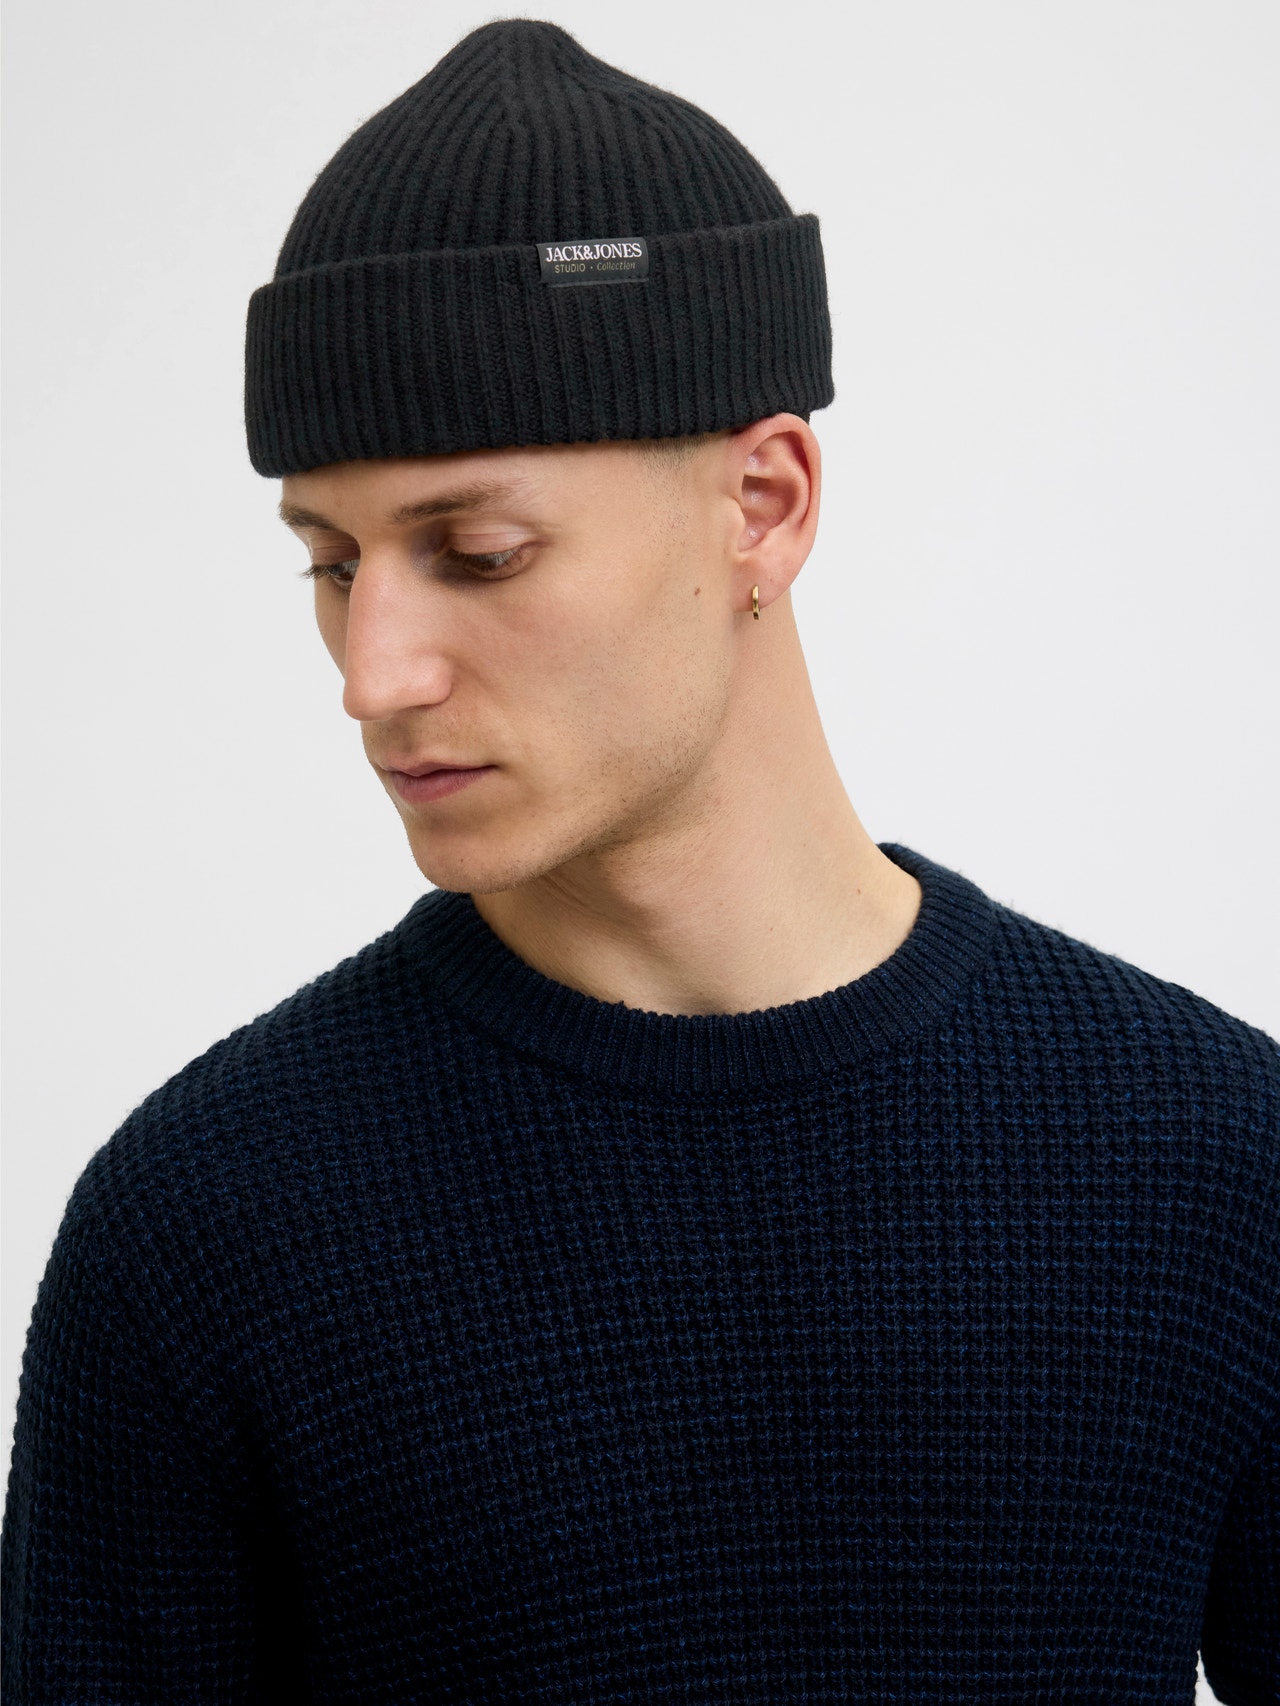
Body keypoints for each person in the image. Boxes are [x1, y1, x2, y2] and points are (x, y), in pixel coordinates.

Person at [2, 17, 1276, 1703]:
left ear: (764, 503)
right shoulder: (200, 1236)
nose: (373, 671)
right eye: (331, 561)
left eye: (476, 551)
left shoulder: (1212, 1160)